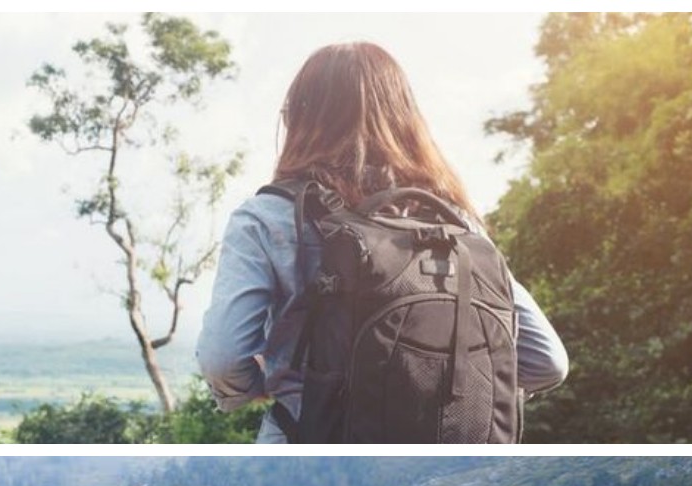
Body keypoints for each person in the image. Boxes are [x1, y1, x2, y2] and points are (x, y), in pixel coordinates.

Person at [197, 42, 569, 443]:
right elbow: (548, 361)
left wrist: (255, 388)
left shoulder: (267, 217)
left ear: (300, 119)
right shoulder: (453, 222)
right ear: (406, 119)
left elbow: (223, 360)